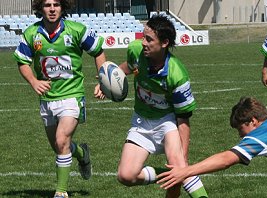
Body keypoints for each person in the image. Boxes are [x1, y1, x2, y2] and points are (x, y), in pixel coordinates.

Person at [13, 0, 106, 197]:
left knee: (61, 139)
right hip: (47, 98)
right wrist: (33, 81)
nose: (52, 9)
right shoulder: (32, 34)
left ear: (63, 7)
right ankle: (81, 153)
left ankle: (61, 192)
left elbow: (98, 52)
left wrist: (103, 81)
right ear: (41, 8)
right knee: (59, 145)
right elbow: (22, 61)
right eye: (47, 5)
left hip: (72, 95)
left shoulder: (76, 30)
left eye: (56, 4)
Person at [116, 14, 208, 198]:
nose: (143, 43)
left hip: (168, 123)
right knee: (125, 175)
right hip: (141, 121)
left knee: (178, 165)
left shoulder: (177, 74)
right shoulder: (136, 51)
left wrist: (184, 157)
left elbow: (183, 119)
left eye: (149, 39)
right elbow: (128, 66)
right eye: (143, 37)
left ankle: (181, 174)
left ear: (164, 43)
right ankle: (171, 173)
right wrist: (109, 80)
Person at [157, 96, 267, 191]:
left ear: (253, 121)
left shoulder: (262, 135)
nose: (240, 135)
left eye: (240, 129)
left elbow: (226, 159)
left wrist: (185, 171)